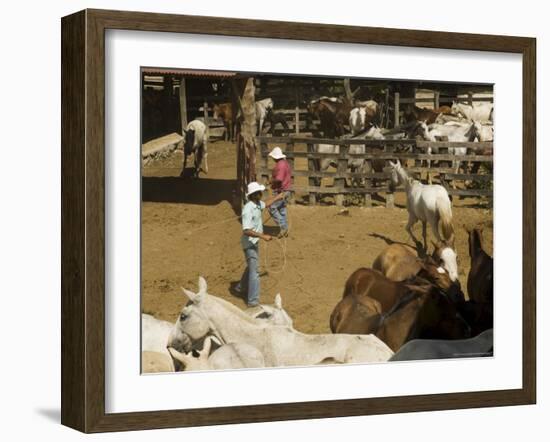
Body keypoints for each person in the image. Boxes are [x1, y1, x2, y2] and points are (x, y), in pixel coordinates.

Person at [235, 182, 284, 307]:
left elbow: (266, 203)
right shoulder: (248, 208)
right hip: (249, 244)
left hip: (253, 242)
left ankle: (240, 288)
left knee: (252, 266)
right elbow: (246, 230)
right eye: (259, 192)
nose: (262, 194)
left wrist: (278, 197)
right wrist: (263, 236)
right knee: (255, 270)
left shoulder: (257, 204)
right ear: (254, 195)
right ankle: (253, 301)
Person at [268, 146, 292, 238]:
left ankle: (283, 227)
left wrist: (270, 181)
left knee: (271, 207)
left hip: (281, 191)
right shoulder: (284, 163)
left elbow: (279, 179)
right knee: (282, 209)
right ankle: (284, 228)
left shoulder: (281, 165)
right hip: (285, 190)